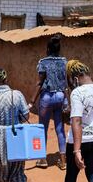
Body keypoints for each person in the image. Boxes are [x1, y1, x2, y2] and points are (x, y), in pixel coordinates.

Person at [28, 35, 69, 170]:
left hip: (47, 98)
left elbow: (40, 83)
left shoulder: (43, 62)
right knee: (60, 128)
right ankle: (63, 161)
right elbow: (66, 82)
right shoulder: (64, 61)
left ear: (47, 49)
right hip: (61, 97)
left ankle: (42, 159)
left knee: (42, 128)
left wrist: (31, 102)